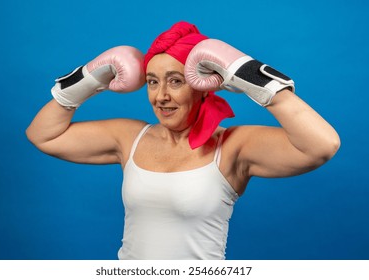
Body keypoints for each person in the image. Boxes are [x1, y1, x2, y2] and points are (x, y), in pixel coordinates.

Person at [26, 21, 340, 260]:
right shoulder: (129, 136)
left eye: (175, 81)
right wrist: (86, 80)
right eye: (152, 82)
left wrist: (249, 74)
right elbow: (43, 135)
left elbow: (322, 145)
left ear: (203, 85)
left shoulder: (232, 147)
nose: (161, 96)